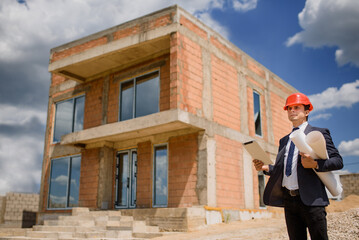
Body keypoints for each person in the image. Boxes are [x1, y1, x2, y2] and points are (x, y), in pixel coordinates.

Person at [253, 93, 343, 240]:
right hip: (290, 201)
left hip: (312, 199)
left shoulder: (319, 133)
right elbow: (284, 170)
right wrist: (266, 168)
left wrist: (315, 164)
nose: (292, 111)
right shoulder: (284, 140)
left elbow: (338, 161)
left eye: (296, 107)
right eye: (289, 108)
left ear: (307, 111)